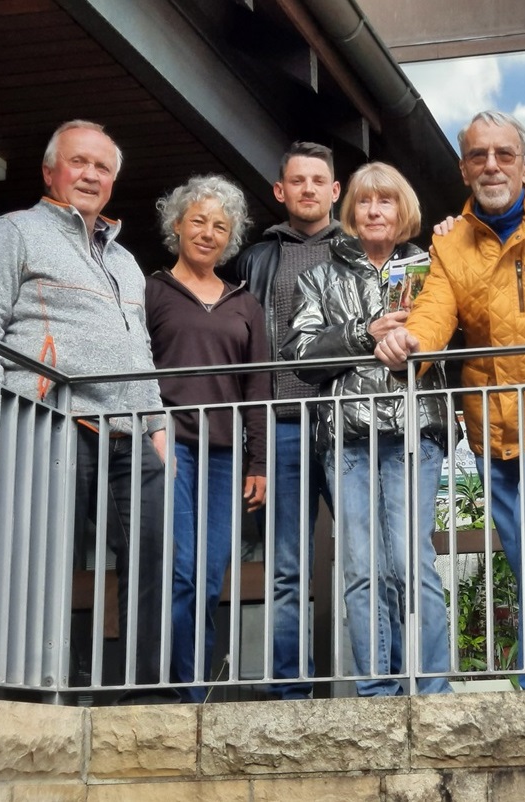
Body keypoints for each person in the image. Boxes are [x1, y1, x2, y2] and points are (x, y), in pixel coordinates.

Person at [375, 111, 525, 691]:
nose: (492, 165)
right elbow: (436, 308)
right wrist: (415, 342)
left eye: (504, 154)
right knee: (523, 542)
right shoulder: (450, 241)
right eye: (479, 155)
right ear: (463, 167)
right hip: (488, 416)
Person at [0, 120, 174, 702]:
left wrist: (157, 427)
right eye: (80, 162)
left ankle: (141, 689)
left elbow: (140, 350)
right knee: (39, 558)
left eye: (103, 168)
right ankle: (29, 686)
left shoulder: (126, 261)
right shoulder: (13, 233)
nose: (91, 175)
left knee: (152, 558)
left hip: (129, 434)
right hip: (48, 423)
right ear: (51, 170)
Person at [281, 162, 452, 696]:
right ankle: (377, 691)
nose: (375, 211)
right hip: (348, 437)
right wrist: (363, 332)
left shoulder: (435, 267)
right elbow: (300, 355)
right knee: (360, 568)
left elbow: (457, 335)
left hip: (414, 430)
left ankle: (430, 688)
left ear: (404, 211)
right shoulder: (319, 276)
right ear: (349, 211)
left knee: (412, 562)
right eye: (364, 202)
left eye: (387, 201)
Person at [145, 175, 271, 702]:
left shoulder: (245, 304)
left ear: (231, 238)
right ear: (177, 225)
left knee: (210, 572)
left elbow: (258, 384)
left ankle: (194, 689)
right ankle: (168, 688)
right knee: (177, 568)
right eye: (198, 220)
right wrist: (149, 426)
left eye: (221, 226)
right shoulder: (149, 291)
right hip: (167, 444)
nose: (208, 233)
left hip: (224, 455)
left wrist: (258, 460)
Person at [230, 142, 341, 699]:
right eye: (297, 181)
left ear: (334, 190)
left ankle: (386, 686)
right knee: (286, 568)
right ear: (281, 191)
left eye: (318, 180)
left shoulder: (356, 250)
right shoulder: (255, 258)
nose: (308, 189)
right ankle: (289, 693)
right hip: (283, 428)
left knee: (372, 560)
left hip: (348, 424)